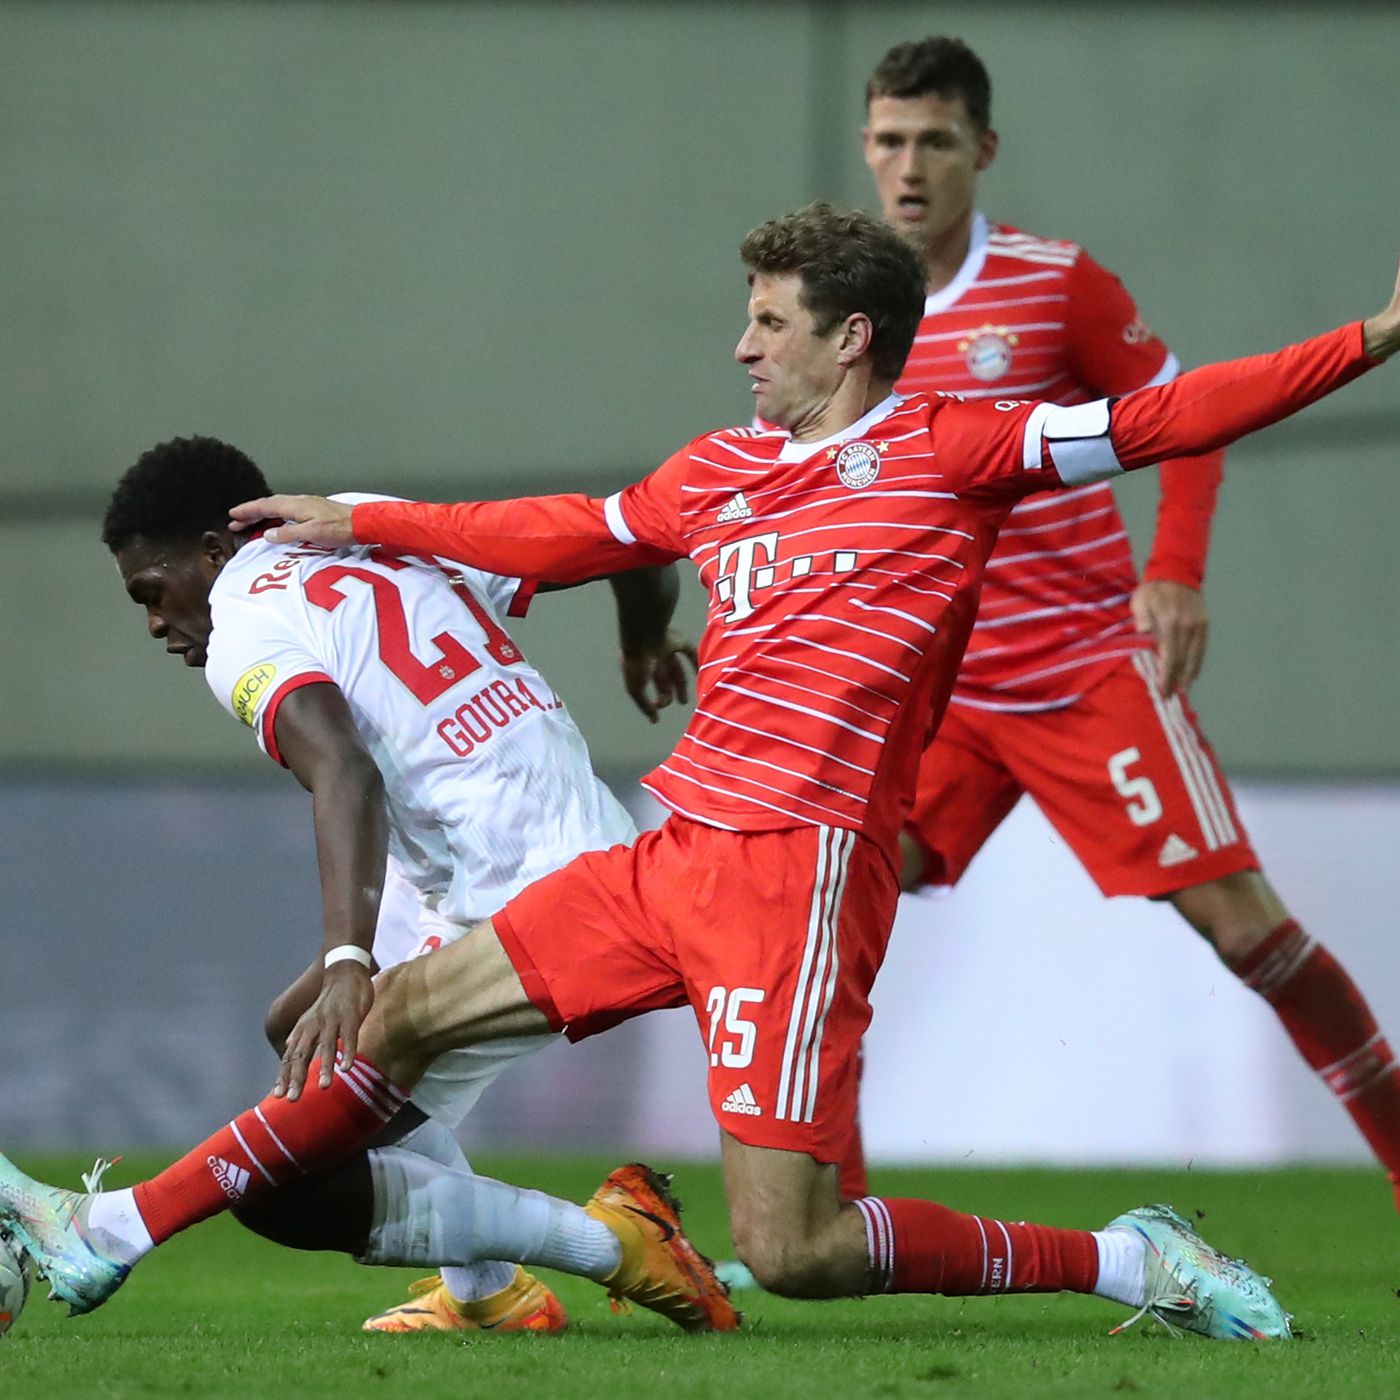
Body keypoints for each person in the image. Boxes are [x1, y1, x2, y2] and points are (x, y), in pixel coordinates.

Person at [9, 200, 1397, 1340]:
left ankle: (1129, 1261)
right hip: (667, 856)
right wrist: (366, 511)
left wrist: (1377, 333)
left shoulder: (958, 451)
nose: (742, 347)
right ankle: (114, 1231)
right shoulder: (723, 470)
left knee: (794, 1250)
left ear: (850, 340)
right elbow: (567, 531)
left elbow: (1174, 415)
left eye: (768, 324)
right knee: (392, 1019)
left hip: (800, 874)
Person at [837, 35, 1400, 1209]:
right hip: (937, 695)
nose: (908, 166)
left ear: (980, 151)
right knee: (823, 915)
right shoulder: (843, 311)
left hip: (1080, 665)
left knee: (1241, 928)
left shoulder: (1050, 285)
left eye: (934, 141)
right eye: (889, 139)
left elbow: (1182, 418)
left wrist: (1177, 571)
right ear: (864, 144)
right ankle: (811, 1216)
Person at [46, 448, 737, 1335]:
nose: (153, 623)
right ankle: (489, 1290)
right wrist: (643, 638)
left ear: (217, 550)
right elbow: (631, 547)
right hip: (533, 857)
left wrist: (347, 959)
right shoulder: (362, 518)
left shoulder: (244, 624)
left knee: (285, 1187)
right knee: (291, 1039)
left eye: (151, 589)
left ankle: (614, 1246)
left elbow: (344, 772)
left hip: (533, 893)